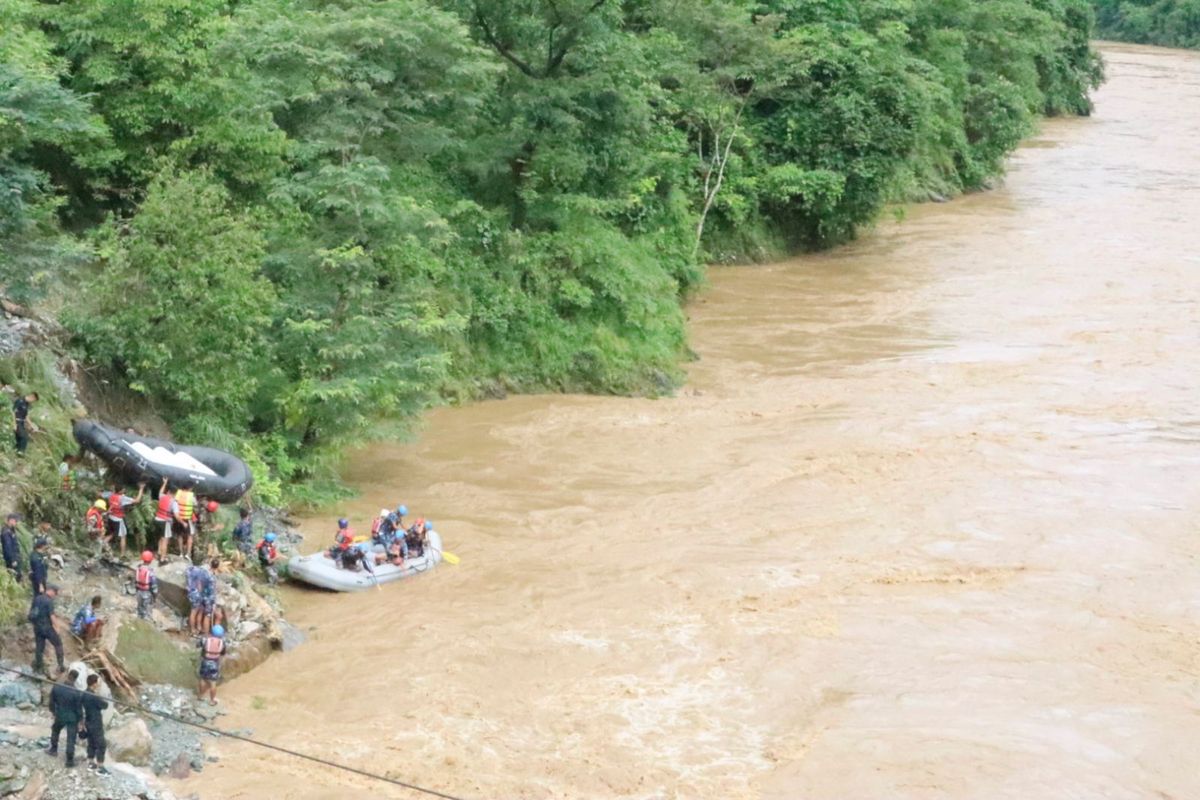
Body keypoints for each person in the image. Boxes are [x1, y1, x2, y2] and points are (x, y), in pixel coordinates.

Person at [47, 668, 83, 767]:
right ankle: (69, 760)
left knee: (55, 730)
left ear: (68, 675)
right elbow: (78, 708)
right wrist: (81, 720)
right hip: (72, 718)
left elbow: (51, 701)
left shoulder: (57, 687)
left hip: (60, 714)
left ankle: (53, 750)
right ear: (75, 679)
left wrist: (53, 712)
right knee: (71, 738)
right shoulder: (76, 693)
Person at [29, 584, 64, 675]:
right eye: (55, 593)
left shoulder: (37, 598)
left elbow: (32, 612)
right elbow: (52, 616)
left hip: (37, 627)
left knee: (39, 648)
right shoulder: (49, 601)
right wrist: (57, 627)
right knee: (58, 644)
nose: (55, 595)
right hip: (47, 628)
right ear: (51, 591)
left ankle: (39, 668)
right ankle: (61, 666)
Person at [105, 482, 145, 557]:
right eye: (123, 490)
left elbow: (107, 494)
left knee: (111, 534)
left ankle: (101, 545)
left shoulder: (111, 495)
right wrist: (141, 489)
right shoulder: (122, 498)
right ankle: (122, 554)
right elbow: (137, 500)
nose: (124, 490)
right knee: (123, 536)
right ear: (120, 491)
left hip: (111, 517)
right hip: (118, 519)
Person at [82, 673, 110, 774]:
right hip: (96, 722)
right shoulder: (94, 696)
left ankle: (90, 762)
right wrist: (99, 694)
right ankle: (100, 766)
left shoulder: (84, 693)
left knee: (91, 742)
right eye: (98, 682)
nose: (99, 684)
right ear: (94, 684)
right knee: (101, 744)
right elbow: (105, 705)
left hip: (88, 721)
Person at [197, 624, 227, 705]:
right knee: (213, 682)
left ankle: (200, 696)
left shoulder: (205, 640)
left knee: (203, 679)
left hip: (205, 661)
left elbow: (198, 645)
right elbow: (223, 653)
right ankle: (212, 700)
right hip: (215, 662)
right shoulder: (222, 643)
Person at [153, 480, 177, 564]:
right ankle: (162, 559)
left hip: (157, 519)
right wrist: (183, 522)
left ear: (168, 491)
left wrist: (164, 482)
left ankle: (159, 553)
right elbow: (176, 515)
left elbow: (160, 491)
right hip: (165, 522)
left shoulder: (162, 496)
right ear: (174, 494)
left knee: (161, 537)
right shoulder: (173, 502)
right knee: (165, 541)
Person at [186, 560, 211, 635]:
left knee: (197, 611)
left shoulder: (192, 570)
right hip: (198, 594)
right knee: (195, 612)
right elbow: (200, 586)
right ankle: (194, 629)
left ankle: (197, 628)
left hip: (191, 593)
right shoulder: (203, 574)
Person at [174, 482, 198, 559]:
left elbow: (175, 502)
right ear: (190, 488)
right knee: (190, 536)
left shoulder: (178, 494)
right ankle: (188, 554)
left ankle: (181, 553)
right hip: (188, 519)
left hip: (178, 518)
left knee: (179, 535)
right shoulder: (191, 496)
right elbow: (195, 504)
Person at [11, 391, 38, 456]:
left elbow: (26, 416)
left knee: (20, 438)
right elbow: (13, 412)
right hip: (17, 421)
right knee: (24, 437)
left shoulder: (27, 404)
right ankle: (20, 452)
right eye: (33, 400)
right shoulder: (20, 401)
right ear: (32, 397)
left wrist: (32, 425)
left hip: (22, 422)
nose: (32, 402)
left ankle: (16, 451)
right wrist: (14, 424)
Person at [134, 551, 158, 619]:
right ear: (151, 560)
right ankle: (146, 621)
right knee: (147, 609)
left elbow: (135, 581)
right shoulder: (150, 571)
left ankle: (139, 618)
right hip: (147, 593)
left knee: (139, 607)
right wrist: (155, 595)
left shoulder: (138, 569)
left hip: (138, 591)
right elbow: (154, 586)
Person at [1, 513, 20, 577]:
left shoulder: (11, 530)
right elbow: (7, 547)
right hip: (11, 560)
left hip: (15, 557)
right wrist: (12, 560)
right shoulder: (6, 532)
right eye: (16, 521)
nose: (16, 523)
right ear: (11, 520)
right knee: (14, 576)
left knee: (17, 575)